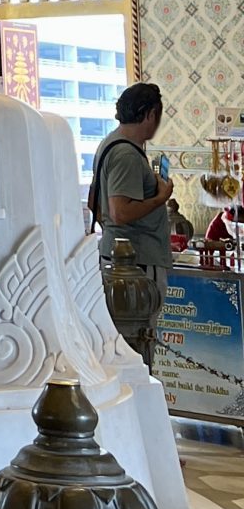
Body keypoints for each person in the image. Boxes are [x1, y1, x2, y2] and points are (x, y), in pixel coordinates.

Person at [91, 82, 171, 366]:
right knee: (136, 341)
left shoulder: (110, 144)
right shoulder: (126, 154)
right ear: (149, 115)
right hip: (136, 263)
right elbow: (120, 211)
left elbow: (97, 206)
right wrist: (160, 197)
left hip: (118, 256)